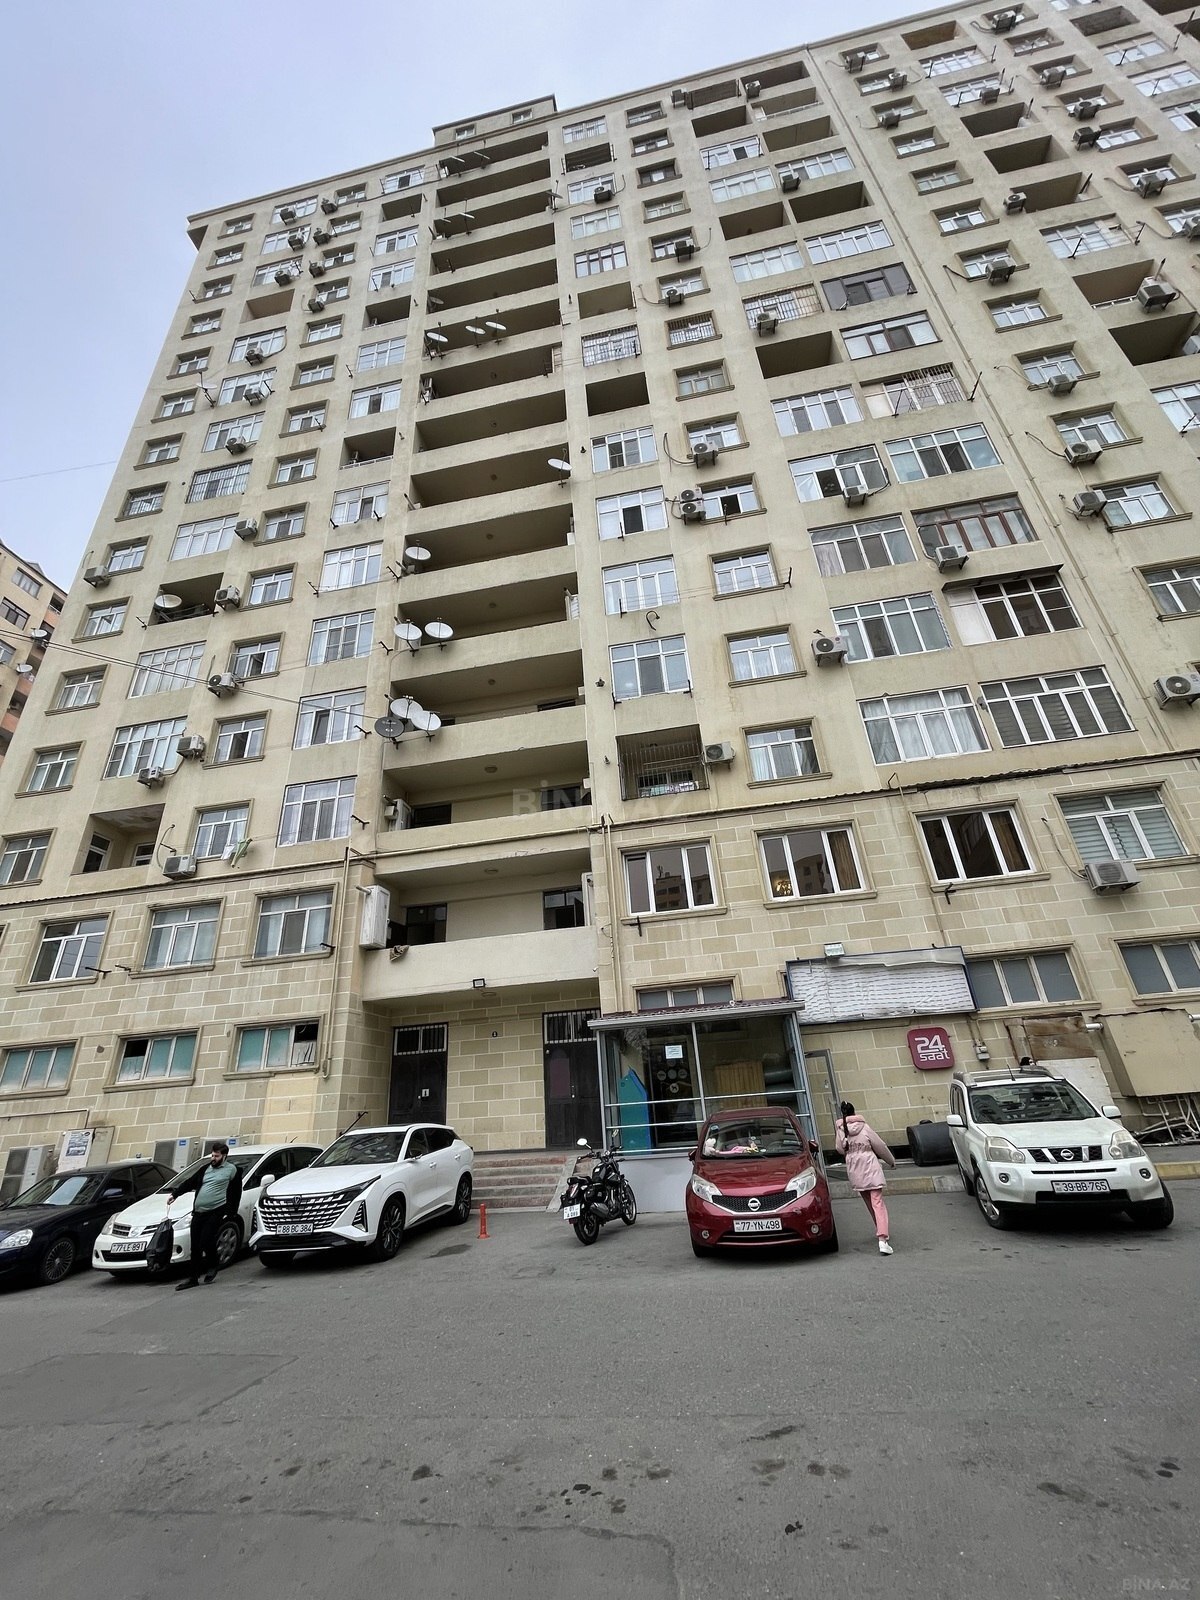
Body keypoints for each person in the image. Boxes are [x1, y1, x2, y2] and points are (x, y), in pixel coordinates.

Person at [165, 1141, 243, 1289]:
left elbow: (236, 1192)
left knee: (206, 1240)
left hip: (216, 1211)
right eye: (212, 1155)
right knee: (195, 1246)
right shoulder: (205, 1169)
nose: (213, 1158)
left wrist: (231, 1213)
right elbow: (190, 1182)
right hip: (199, 1212)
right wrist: (175, 1194)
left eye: (217, 1156)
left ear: (224, 1156)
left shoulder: (232, 1170)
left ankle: (213, 1265)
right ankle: (193, 1278)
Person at [834, 1102, 897, 1256]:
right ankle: (882, 1238)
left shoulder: (841, 1130)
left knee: (870, 1204)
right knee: (878, 1203)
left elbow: (839, 1149)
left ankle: (881, 1231)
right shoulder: (864, 1127)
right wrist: (891, 1161)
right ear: (854, 1112)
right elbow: (880, 1146)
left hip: (855, 1170)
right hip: (870, 1167)